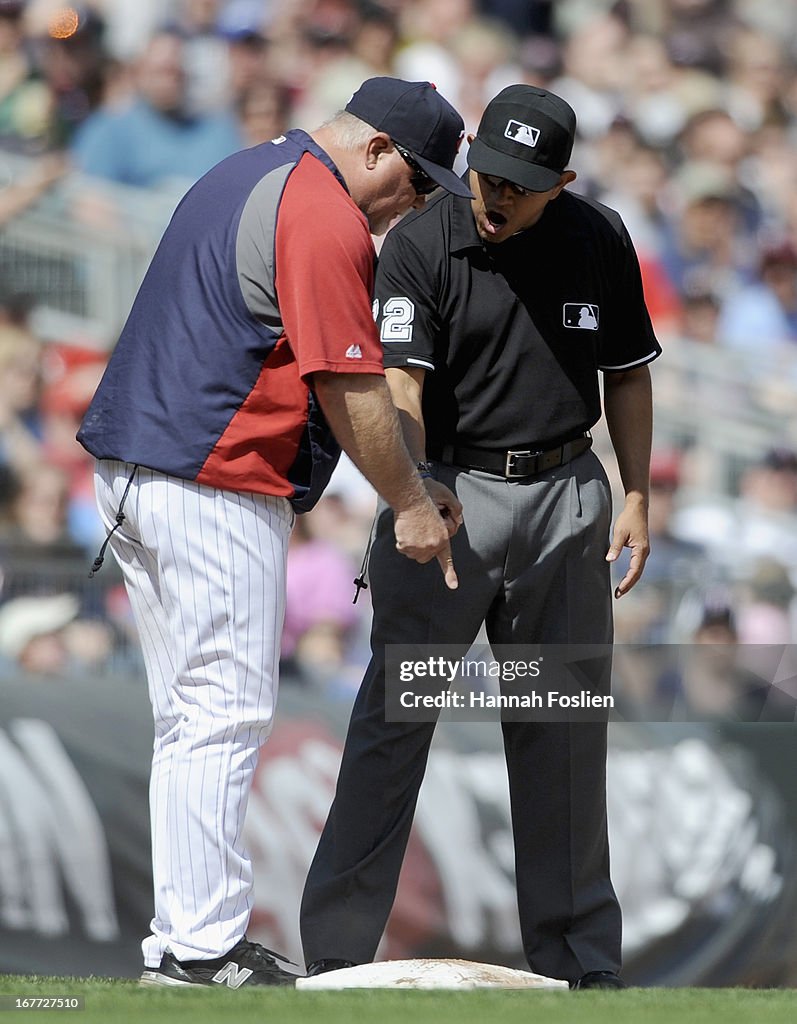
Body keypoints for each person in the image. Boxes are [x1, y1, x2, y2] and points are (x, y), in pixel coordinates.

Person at [76, 76, 471, 988]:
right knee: (222, 714)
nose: (411, 205)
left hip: (143, 467)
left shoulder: (249, 167)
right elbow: (346, 384)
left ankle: (184, 938)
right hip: (209, 477)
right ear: (375, 150)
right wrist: (410, 500)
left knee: (191, 720)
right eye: (414, 182)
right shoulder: (323, 210)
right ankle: (200, 947)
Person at [300, 85, 661, 990]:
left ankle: (582, 967)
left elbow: (626, 372)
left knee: (562, 736)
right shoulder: (424, 241)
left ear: (561, 181)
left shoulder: (598, 237)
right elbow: (402, 388)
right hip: (451, 496)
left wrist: (638, 491)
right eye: (485, 173)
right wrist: (414, 488)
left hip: (565, 499)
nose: (494, 195)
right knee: (396, 722)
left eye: (518, 185)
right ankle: (335, 961)